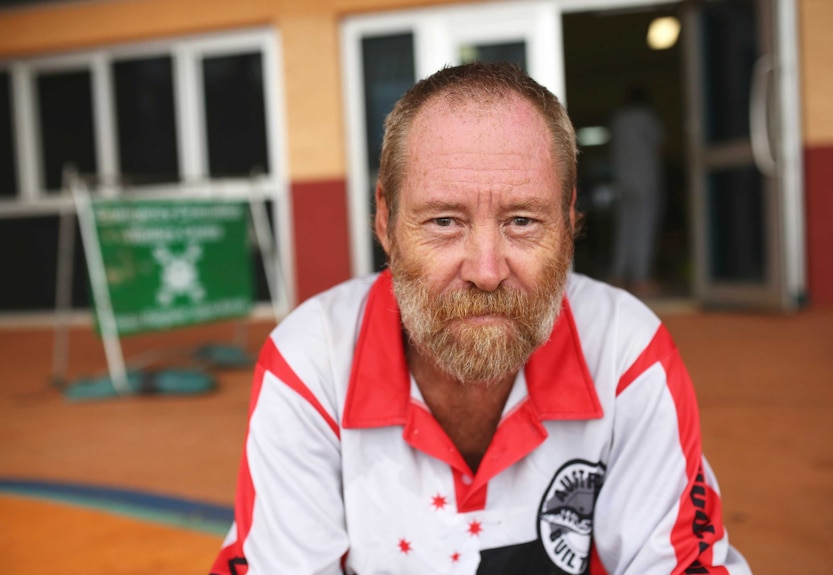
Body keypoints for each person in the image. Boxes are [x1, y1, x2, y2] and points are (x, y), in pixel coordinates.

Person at [211, 62, 750, 575]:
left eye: (522, 220)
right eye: (444, 221)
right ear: (384, 220)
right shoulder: (310, 365)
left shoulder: (627, 354)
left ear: (569, 223)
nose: (487, 271)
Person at [608, 86, 665, 296]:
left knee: (624, 229)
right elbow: (659, 145)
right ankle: (641, 278)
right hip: (646, 179)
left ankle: (619, 276)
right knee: (643, 229)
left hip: (623, 180)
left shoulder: (618, 119)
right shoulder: (647, 117)